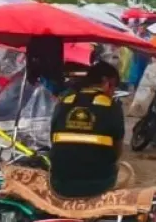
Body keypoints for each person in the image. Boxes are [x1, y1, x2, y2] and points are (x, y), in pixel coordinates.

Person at [49, 62, 125, 199]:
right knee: (125, 170)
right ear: (106, 83)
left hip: (60, 183)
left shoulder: (65, 101)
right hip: (98, 184)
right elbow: (118, 149)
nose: (112, 93)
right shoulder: (111, 106)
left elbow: (53, 139)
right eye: (114, 87)